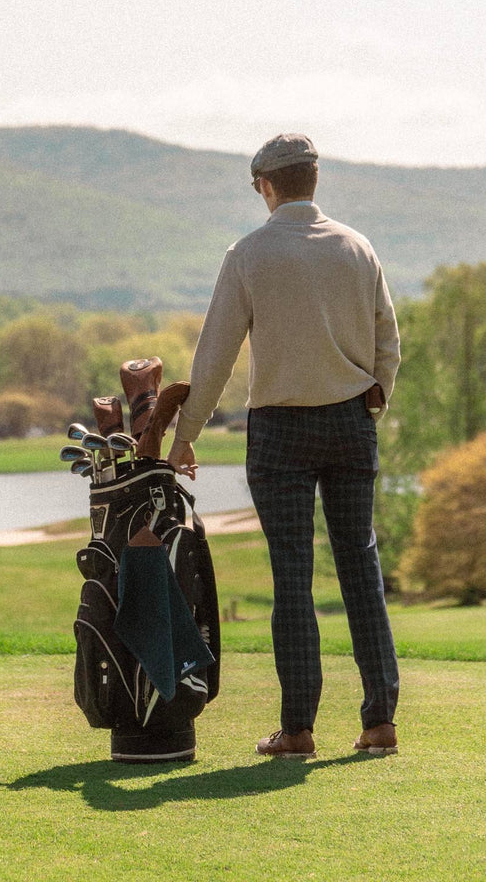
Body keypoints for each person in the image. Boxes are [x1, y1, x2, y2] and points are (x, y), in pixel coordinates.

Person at [165, 134, 401, 759]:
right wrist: (377, 396)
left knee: (292, 577)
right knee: (361, 565)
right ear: (315, 179)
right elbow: (388, 338)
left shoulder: (248, 253)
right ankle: (381, 721)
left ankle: (297, 730)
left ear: (264, 186)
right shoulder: (358, 247)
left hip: (280, 430)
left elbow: (214, 354)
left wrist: (185, 434)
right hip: (352, 420)